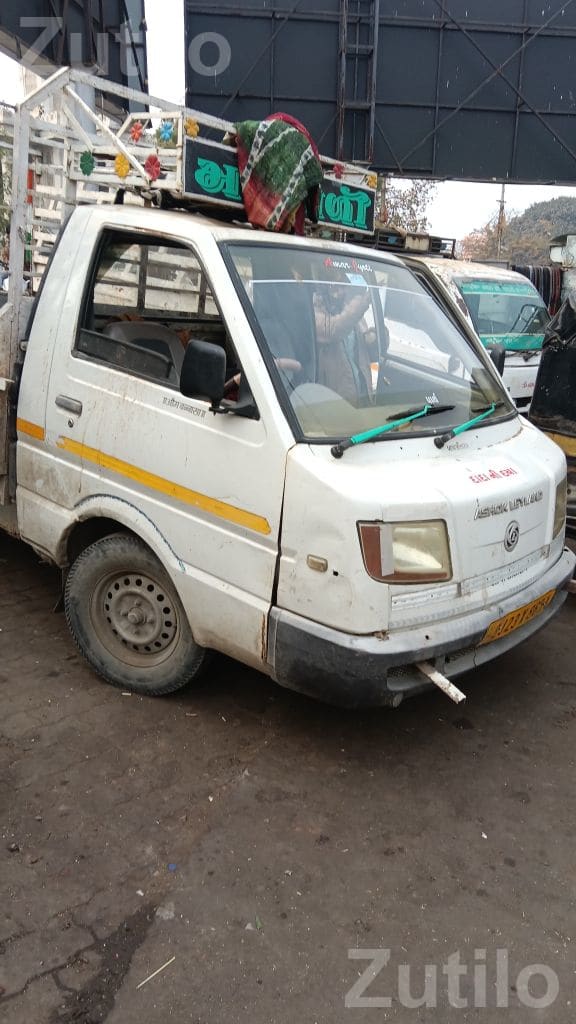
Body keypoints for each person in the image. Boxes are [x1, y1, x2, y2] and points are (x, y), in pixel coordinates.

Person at [313, 273, 377, 403]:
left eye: (343, 286)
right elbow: (333, 329)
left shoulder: (350, 311)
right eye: (334, 286)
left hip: (363, 394)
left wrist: (374, 338)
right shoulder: (314, 311)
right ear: (323, 286)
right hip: (334, 401)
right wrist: (362, 302)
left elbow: (372, 351)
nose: (339, 292)